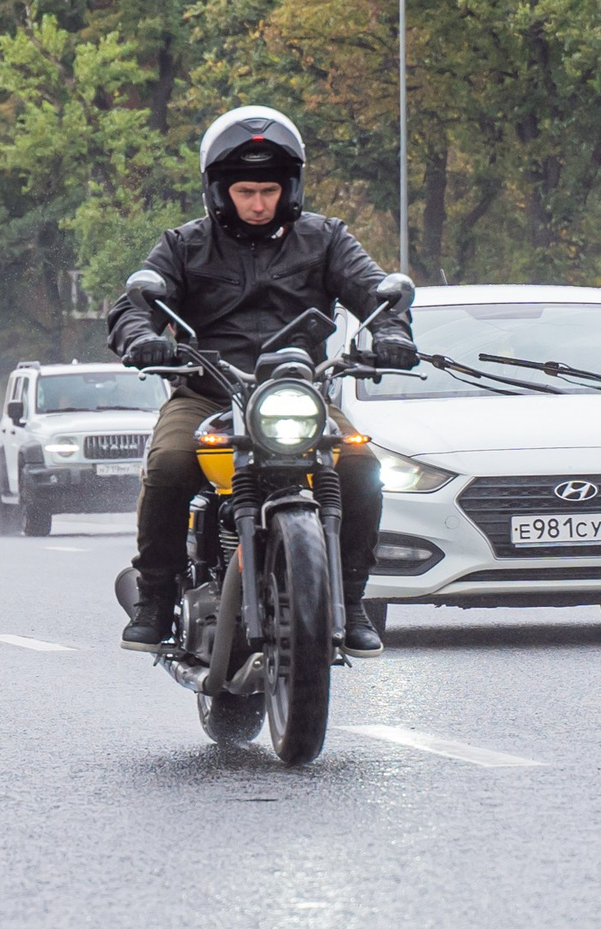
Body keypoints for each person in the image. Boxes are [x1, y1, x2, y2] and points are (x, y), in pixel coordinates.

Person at [105, 107, 416, 657]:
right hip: (207, 393)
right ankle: (155, 597)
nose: (257, 202)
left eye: (268, 190)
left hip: (298, 394)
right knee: (171, 462)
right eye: (245, 190)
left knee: (363, 467)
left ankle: (353, 597)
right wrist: (140, 338)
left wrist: (391, 330)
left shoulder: (326, 239)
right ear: (220, 190)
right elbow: (135, 306)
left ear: (287, 188)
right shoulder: (183, 245)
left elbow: (374, 290)